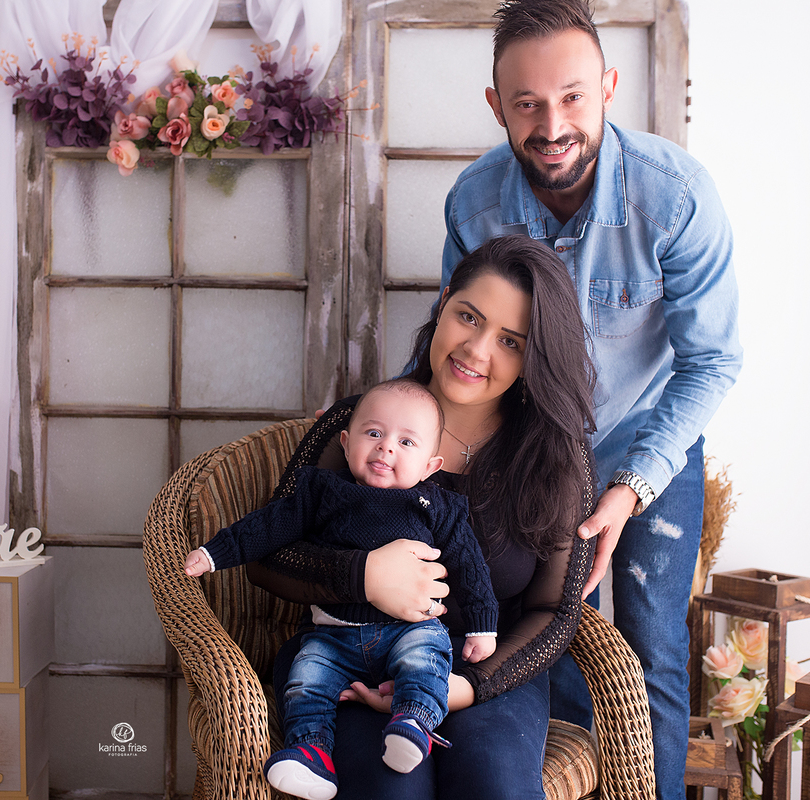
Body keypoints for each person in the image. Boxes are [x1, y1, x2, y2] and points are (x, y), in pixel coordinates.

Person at [439, 2, 743, 797]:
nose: (552, 124)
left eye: (572, 96)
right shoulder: (473, 205)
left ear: (608, 87)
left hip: (650, 443)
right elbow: (465, 354)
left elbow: (713, 361)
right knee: (554, 641)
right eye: (528, 103)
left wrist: (631, 485)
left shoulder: (676, 196)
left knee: (649, 652)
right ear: (496, 105)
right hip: (531, 453)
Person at [247, 234, 598, 800]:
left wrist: (465, 687)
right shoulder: (363, 426)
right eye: (468, 316)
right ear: (442, 307)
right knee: (395, 788)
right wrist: (362, 576)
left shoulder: (556, 457)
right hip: (358, 656)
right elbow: (265, 554)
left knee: (493, 784)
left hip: (487, 674)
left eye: (511, 340)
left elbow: (553, 612)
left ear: (534, 357)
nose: (477, 350)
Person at [186, 379, 498, 800]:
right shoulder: (323, 492)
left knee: (426, 660)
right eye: (374, 433)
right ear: (347, 443)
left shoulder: (438, 505)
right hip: (333, 633)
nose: (386, 448)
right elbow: (268, 526)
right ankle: (312, 753)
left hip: (409, 628)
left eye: (407, 442)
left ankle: (414, 722)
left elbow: (470, 566)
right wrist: (214, 552)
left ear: (430, 465)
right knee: (306, 679)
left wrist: (483, 625)